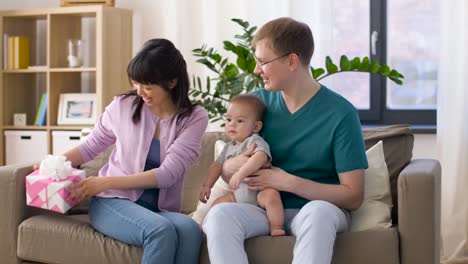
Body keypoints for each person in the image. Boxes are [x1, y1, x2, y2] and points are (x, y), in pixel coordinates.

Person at [202, 17, 368, 264]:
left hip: (317, 209)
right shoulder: (255, 106)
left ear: (291, 61)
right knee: (220, 216)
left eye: (262, 62)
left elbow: (353, 196)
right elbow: (230, 168)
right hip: (261, 208)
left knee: (318, 213)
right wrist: (230, 167)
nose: (257, 70)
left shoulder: (341, 113)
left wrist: (288, 182)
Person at [65, 38, 209, 264]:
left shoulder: (193, 117)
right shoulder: (123, 106)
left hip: (157, 208)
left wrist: (104, 181)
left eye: (148, 86)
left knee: (190, 230)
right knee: (160, 231)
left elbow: (168, 174)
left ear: (171, 82)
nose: (140, 91)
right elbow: (90, 146)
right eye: (136, 83)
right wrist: (52, 162)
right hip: (112, 201)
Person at [199, 94, 285, 236]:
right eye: (228, 119)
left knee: (272, 196)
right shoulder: (228, 147)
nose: (232, 124)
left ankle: (276, 226)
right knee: (217, 204)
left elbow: (260, 157)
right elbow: (217, 166)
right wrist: (207, 185)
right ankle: (205, 229)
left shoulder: (254, 141)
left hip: (259, 192)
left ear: (256, 126)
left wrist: (241, 173)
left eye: (240, 121)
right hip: (238, 195)